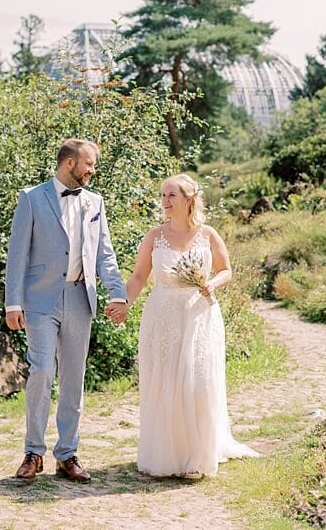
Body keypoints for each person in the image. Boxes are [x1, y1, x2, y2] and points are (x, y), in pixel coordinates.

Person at [4, 138, 129, 483]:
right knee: (42, 370)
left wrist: (117, 293)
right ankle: (33, 452)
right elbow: (17, 255)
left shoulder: (95, 202)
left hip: (80, 299)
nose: (92, 171)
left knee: (74, 378)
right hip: (39, 301)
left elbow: (105, 255)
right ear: (70, 163)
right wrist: (12, 302)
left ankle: (67, 454)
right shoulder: (31, 198)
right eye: (89, 164)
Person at [124, 173, 259, 478]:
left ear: (189, 200)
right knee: (166, 381)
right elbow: (137, 278)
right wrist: (123, 303)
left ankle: (197, 457)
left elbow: (227, 270)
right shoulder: (154, 237)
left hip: (199, 315)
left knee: (197, 382)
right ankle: (168, 454)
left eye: (171, 195)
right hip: (162, 316)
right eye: (163, 195)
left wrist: (212, 283)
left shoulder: (208, 234)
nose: (165, 201)